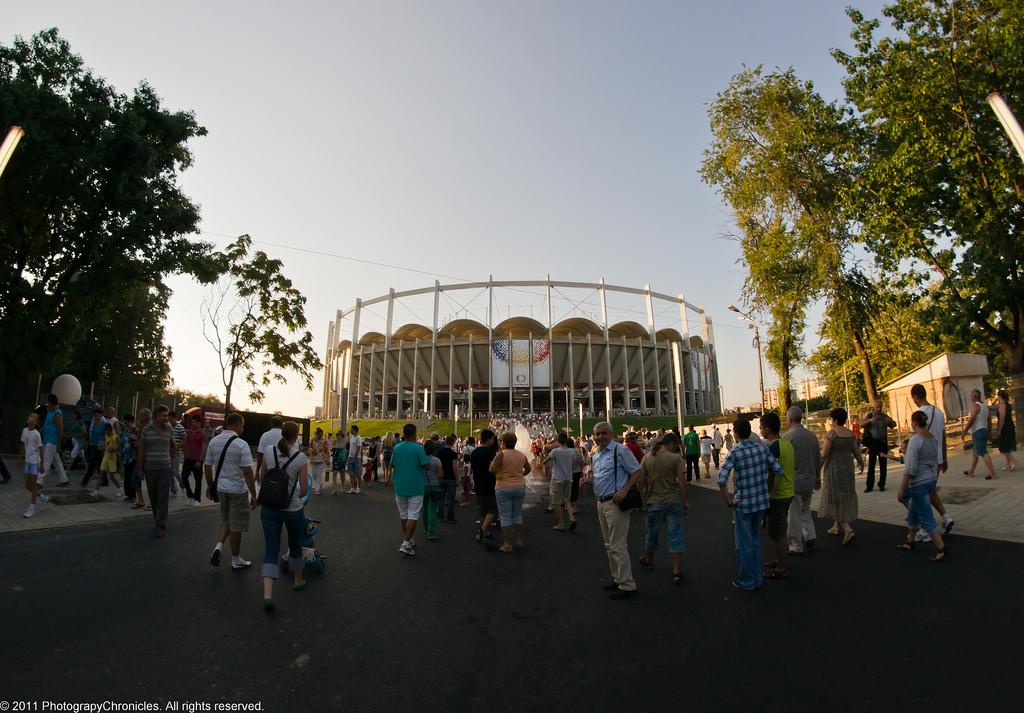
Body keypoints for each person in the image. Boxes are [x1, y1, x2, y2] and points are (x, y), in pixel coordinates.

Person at [717, 419, 782, 591]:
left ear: (736, 433)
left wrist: (728, 502)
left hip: (743, 503)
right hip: (761, 502)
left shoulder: (735, 452)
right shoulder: (762, 449)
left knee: (744, 542)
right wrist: (771, 493)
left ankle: (747, 580)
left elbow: (721, 480)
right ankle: (757, 577)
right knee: (755, 540)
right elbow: (778, 470)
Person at [258, 420, 310, 612]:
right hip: (292, 509)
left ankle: (268, 594)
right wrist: (293, 493)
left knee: (271, 549)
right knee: (295, 543)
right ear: (296, 436)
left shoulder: (270, 451)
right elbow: (304, 489)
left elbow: (262, 477)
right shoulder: (301, 457)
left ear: (282, 434)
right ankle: (298, 580)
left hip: (269, 508)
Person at [591, 421, 642, 599]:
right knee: (609, 545)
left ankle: (627, 585)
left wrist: (624, 490)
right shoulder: (596, 454)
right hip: (601, 503)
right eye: (597, 434)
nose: (600, 437)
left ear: (611, 434)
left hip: (615, 502)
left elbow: (637, 471)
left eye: (603, 433)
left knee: (617, 545)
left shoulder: (620, 450)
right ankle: (618, 578)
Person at [204, 412, 257, 569]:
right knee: (236, 526)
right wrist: (253, 494)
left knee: (226, 520)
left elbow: (207, 466)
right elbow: (247, 471)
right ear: (237, 424)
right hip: (237, 490)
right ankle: (235, 559)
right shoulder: (241, 444)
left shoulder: (214, 441)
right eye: (243, 425)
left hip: (221, 488)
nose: (243, 429)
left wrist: (210, 486)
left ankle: (218, 547)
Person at [893, 410, 947, 561]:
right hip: (930, 479)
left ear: (914, 423)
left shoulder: (916, 440)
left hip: (919, 483)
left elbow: (910, 467)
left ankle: (941, 548)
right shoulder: (932, 438)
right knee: (913, 512)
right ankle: (910, 541)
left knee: (926, 517)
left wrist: (901, 489)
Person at [637, 432, 688, 585]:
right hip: (672, 501)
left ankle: (649, 560)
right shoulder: (676, 458)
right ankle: (677, 571)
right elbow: (681, 482)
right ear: (671, 443)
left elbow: (642, 482)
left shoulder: (647, 458)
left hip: (654, 502)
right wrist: (685, 501)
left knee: (651, 533)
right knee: (676, 536)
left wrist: (643, 499)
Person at [910, 384, 954, 538]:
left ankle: (927, 528)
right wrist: (945, 457)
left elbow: (915, 437)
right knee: (931, 490)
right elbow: (942, 436)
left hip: (923, 459)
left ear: (915, 397)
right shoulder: (938, 412)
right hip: (938, 457)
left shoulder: (919, 414)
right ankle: (946, 517)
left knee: (922, 494)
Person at [818, 408, 863, 546]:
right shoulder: (850, 434)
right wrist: (861, 463)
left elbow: (824, 454)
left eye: (831, 419)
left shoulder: (831, 434)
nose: (830, 421)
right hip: (847, 468)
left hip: (834, 469)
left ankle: (846, 528)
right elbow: (856, 451)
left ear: (835, 420)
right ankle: (836, 526)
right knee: (844, 494)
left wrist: (817, 471)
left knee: (835, 495)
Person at [783, 407, 821, 556]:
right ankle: (810, 534)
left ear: (790, 419)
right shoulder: (812, 436)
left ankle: (795, 544)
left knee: (793, 514)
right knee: (805, 509)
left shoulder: (787, 437)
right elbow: (817, 458)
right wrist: (818, 476)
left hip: (795, 481)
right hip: (809, 479)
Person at [761, 412, 794, 579]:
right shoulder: (786, 444)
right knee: (782, 530)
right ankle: (781, 560)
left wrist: (769, 494)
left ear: (767, 429)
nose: (760, 431)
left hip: (778, 495)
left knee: (777, 533)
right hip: (788, 492)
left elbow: (772, 474)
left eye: (761, 428)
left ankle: (781, 567)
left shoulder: (774, 447)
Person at [391, 423, 431, 556]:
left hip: (400, 485)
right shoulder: (418, 448)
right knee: (413, 514)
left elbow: (392, 464)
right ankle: (406, 542)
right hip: (415, 485)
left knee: (403, 514)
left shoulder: (397, 448)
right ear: (414, 433)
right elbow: (427, 466)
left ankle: (408, 539)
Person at [136, 405, 176, 538]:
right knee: (153, 497)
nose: (166, 418)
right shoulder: (147, 430)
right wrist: (141, 468)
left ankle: (160, 525)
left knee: (162, 499)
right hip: (150, 469)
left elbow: (173, 446)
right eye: (164, 416)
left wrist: (171, 461)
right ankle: (157, 519)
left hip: (165, 468)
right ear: (156, 416)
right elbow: (142, 450)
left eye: (167, 415)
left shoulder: (169, 429)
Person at [489, 432, 531, 553]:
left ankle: (507, 544)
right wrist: (519, 476)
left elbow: (492, 469)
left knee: (505, 516)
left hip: (503, 487)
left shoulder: (501, 455)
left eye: (501, 441)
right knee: (517, 514)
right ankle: (518, 540)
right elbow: (528, 469)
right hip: (519, 486)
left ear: (504, 442)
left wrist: (499, 471)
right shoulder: (521, 455)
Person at [543, 432, 577, 531]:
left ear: (558, 440)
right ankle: (572, 518)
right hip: (568, 478)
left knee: (556, 503)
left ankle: (561, 523)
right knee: (567, 500)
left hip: (557, 478)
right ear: (566, 440)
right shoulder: (572, 451)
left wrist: (546, 462)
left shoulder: (555, 451)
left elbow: (545, 461)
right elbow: (573, 466)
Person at [862, 400, 897, 492]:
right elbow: (862, 424)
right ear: (873, 407)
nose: (879, 408)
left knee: (883, 464)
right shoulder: (870, 415)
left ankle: (882, 484)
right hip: (873, 442)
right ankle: (869, 486)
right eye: (877, 406)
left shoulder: (884, 416)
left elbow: (894, 424)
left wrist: (890, 422)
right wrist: (870, 420)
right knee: (871, 464)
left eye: (880, 407)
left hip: (882, 442)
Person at [962, 389, 997, 480]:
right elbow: (989, 421)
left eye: (971, 395)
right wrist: (989, 432)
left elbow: (972, 419)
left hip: (977, 432)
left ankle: (993, 474)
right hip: (983, 431)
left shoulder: (976, 406)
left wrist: (964, 431)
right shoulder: (985, 406)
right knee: (975, 453)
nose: (970, 397)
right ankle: (971, 471)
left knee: (983, 453)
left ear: (974, 396)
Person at [471, 429, 499, 543]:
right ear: (488, 439)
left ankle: (485, 531)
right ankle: (483, 530)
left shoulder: (474, 452)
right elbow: (495, 469)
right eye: (492, 439)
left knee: (481, 509)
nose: (493, 441)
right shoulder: (491, 453)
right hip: (490, 483)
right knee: (493, 508)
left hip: (478, 482)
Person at [20, 413, 48, 518]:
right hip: (27, 461)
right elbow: (23, 444)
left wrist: (42, 465)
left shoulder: (37, 434)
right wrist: (20, 457)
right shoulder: (25, 431)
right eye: (29, 415)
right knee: (27, 485)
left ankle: (32, 507)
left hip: (34, 462)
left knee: (34, 484)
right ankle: (42, 497)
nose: (29, 417)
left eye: (32, 417)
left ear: (35, 422)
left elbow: (41, 449)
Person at [38, 394, 69, 488]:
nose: (47, 404)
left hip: (52, 441)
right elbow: (46, 425)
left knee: (46, 461)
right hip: (47, 439)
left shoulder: (57, 413)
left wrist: (59, 443)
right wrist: (38, 432)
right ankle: (64, 480)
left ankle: (39, 481)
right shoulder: (50, 412)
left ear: (51, 403)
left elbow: (60, 429)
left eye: (48, 402)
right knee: (57, 461)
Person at [90, 423, 123, 500]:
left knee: (111, 477)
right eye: (105, 432)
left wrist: (113, 449)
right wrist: (103, 447)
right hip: (105, 457)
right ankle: (96, 491)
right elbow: (106, 445)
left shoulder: (116, 437)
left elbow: (120, 447)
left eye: (107, 431)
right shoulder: (106, 436)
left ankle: (120, 489)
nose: (106, 433)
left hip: (112, 458)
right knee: (100, 474)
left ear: (110, 430)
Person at [182, 415, 207, 507]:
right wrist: (185, 456)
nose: (192, 424)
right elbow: (186, 445)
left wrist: (200, 460)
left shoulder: (202, 434)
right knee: (184, 477)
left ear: (199, 423)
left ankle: (197, 498)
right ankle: (190, 494)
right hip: (188, 458)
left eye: (194, 422)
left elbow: (204, 448)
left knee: (198, 480)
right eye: (191, 422)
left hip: (197, 460)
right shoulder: (189, 433)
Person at [422, 439, 443, 540]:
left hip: (422, 486)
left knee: (424, 509)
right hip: (434, 486)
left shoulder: (421, 460)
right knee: (432, 510)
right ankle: (431, 532)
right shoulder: (436, 460)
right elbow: (441, 474)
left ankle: (426, 528)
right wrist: (435, 477)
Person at [80, 409, 106, 487]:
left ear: (101, 415)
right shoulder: (95, 423)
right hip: (93, 445)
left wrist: (104, 448)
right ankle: (105, 481)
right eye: (94, 416)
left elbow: (106, 437)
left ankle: (85, 481)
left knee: (92, 464)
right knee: (99, 465)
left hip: (100, 447)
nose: (96, 417)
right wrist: (89, 443)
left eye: (97, 416)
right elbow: (92, 434)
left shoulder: (104, 424)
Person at [995, 390, 1018, 472]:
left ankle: (1014, 461)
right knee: (1006, 447)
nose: (996, 397)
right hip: (1010, 426)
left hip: (1005, 428)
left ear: (1000, 396)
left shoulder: (1002, 405)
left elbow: (1002, 418)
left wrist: (999, 429)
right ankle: (1008, 465)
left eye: (997, 395)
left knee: (1002, 447)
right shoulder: (1008, 404)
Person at [169, 411, 186, 497]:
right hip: (168, 452)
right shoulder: (168, 427)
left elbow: (185, 440)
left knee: (175, 471)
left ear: (174, 418)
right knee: (169, 472)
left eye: (171, 419)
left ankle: (183, 487)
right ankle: (173, 490)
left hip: (176, 452)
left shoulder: (180, 428)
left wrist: (178, 446)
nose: (169, 420)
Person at [308, 428, 327, 495]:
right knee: (314, 474)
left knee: (319, 474)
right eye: (320, 435)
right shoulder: (313, 439)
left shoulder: (324, 441)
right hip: (314, 458)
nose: (321, 436)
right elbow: (309, 447)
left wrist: (327, 459)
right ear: (317, 434)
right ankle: (319, 484)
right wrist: (311, 450)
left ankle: (317, 489)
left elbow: (326, 449)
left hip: (321, 459)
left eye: (322, 435)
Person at [346, 425, 364, 494]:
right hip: (350, 457)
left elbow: (358, 448)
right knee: (351, 473)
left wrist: (355, 457)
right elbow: (350, 448)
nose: (350, 430)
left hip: (356, 458)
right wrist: (348, 457)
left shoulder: (359, 438)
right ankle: (352, 487)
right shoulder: (351, 438)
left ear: (354, 430)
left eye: (351, 429)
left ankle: (359, 488)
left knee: (358, 473)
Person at [459, 436, 476, 506]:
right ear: (473, 442)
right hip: (471, 463)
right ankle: (470, 490)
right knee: (471, 478)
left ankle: (465, 490)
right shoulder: (474, 449)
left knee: (465, 474)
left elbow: (462, 455)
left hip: (465, 463)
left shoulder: (464, 448)